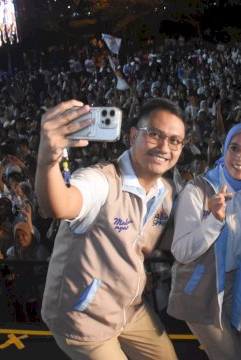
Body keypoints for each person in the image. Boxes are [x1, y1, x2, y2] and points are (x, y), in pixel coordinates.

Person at [36, 98, 183, 360]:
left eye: (174, 140)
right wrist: (47, 160)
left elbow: (152, 240)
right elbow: (60, 205)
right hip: (83, 318)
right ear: (133, 136)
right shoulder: (100, 181)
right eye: (155, 135)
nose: (164, 147)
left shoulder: (166, 192)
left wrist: (211, 224)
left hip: (129, 309)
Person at [168, 123, 241, 360]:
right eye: (234, 148)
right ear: (224, 149)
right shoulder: (197, 191)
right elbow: (181, 252)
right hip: (201, 289)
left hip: (240, 288)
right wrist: (213, 221)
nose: (240, 157)